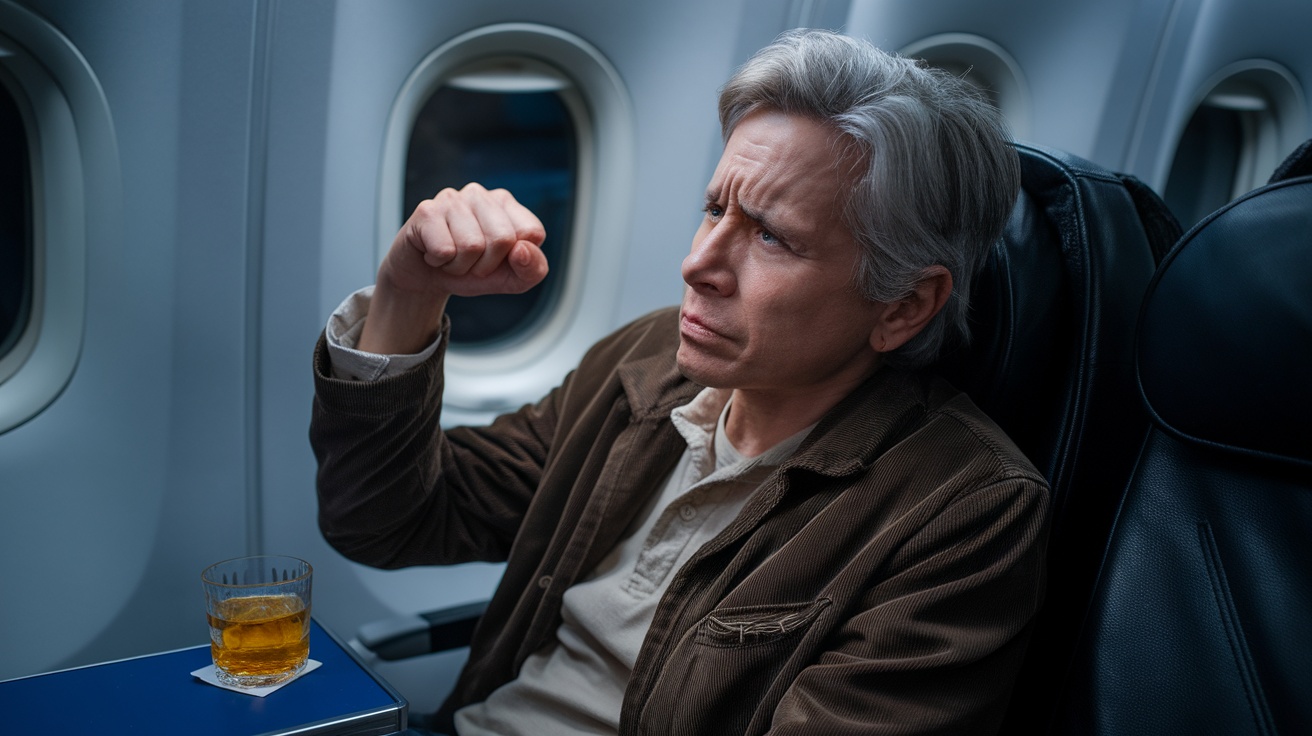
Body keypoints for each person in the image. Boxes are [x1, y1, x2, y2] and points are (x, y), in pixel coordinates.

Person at [311, 29, 1047, 735]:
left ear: (904, 305)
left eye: (771, 236)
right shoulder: (653, 359)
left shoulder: (964, 514)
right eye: (714, 208)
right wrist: (407, 294)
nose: (699, 265)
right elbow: (388, 519)